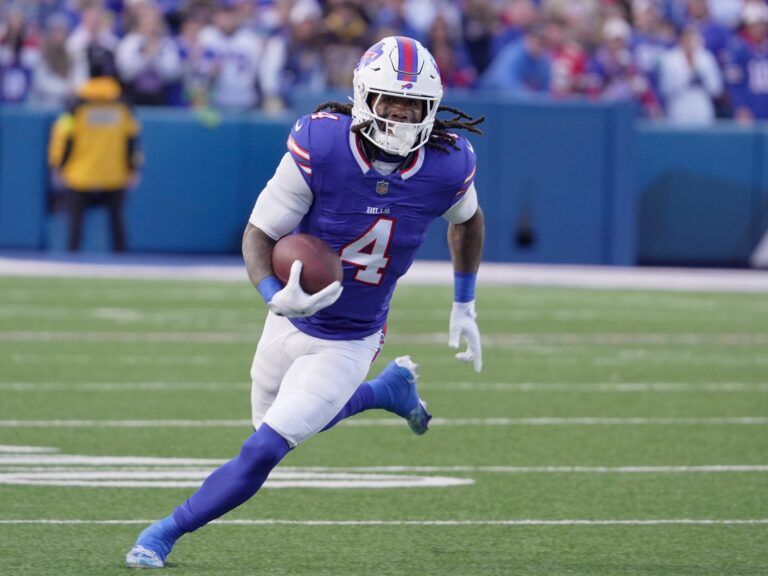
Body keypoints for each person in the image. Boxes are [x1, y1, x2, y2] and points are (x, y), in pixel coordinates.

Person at [125, 35, 485, 569]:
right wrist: (275, 297)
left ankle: (162, 533)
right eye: (391, 102)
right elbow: (258, 234)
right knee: (270, 424)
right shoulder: (322, 143)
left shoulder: (447, 165)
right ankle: (387, 391)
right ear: (365, 97)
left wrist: (464, 303)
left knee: (264, 449)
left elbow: (468, 221)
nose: (403, 117)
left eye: (414, 106)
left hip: (352, 337)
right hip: (293, 316)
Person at [47, 46, 142, 252]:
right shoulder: (122, 104)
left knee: (75, 229)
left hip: (79, 172)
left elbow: (64, 137)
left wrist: (58, 165)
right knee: (117, 225)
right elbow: (132, 139)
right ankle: (124, 266)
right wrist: (133, 168)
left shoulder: (77, 104)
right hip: (114, 172)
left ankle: (70, 266)